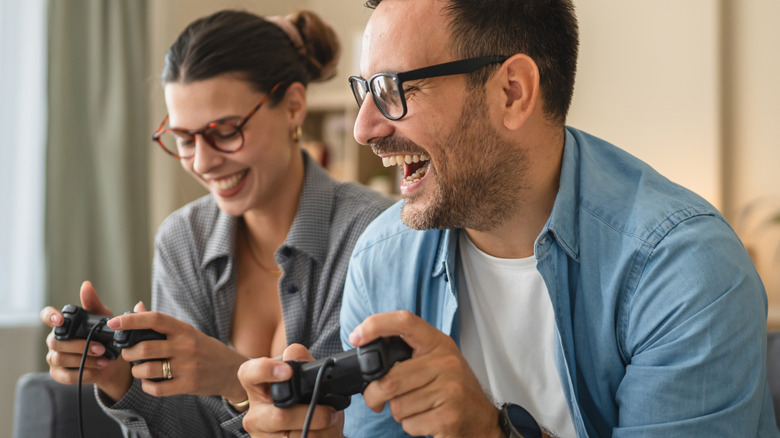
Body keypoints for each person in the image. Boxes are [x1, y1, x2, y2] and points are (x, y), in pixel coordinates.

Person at [237, 0, 780, 437]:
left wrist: (486, 431)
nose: (364, 129)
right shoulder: (383, 259)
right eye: (365, 92)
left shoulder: (685, 270)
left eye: (394, 90)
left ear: (511, 92)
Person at [40, 9, 392, 438]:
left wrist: (233, 376)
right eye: (185, 139)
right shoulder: (182, 240)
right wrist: (118, 376)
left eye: (225, 131)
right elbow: (193, 428)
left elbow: (367, 422)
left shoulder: (374, 236)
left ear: (294, 107)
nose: (203, 162)